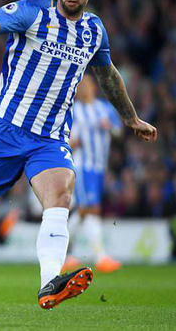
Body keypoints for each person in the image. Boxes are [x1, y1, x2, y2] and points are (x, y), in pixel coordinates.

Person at [0, 0, 157, 309]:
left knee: (61, 194)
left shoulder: (94, 31)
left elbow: (108, 75)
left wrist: (130, 118)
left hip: (50, 138)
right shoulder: (33, 11)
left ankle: (49, 284)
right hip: (5, 131)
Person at [63, 73, 122, 274]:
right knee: (91, 208)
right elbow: (66, 140)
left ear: (94, 87)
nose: (83, 88)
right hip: (83, 166)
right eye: (80, 86)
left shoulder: (104, 108)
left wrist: (110, 127)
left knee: (83, 211)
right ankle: (101, 257)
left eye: (86, 85)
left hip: (99, 167)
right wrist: (73, 143)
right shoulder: (74, 111)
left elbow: (118, 131)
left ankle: (64, 254)